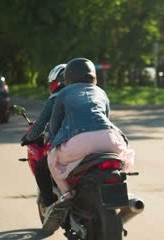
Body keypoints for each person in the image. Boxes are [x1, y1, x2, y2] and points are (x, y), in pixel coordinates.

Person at [42, 58, 133, 234]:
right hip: (111, 139)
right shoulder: (101, 92)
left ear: (67, 77)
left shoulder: (63, 93)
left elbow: (54, 125)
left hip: (80, 142)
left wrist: (52, 139)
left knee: (52, 161)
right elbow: (106, 117)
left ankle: (66, 195)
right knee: (118, 163)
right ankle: (122, 192)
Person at [22, 64, 66, 209]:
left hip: (69, 145)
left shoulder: (56, 98)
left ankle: (49, 204)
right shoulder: (98, 93)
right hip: (108, 141)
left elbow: (40, 124)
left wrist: (28, 138)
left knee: (42, 167)